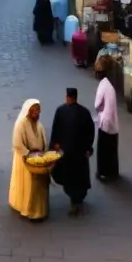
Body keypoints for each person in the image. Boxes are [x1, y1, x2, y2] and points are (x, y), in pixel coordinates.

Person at [49, 87, 96, 216]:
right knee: (80, 177)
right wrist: (88, 148)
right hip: (80, 154)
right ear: (76, 97)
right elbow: (90, 132)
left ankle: (73, 201)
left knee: (69, 179)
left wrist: (54, 147)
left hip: (67, 154)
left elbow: (55, 130)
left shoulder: (60, 111)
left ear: (67, 97)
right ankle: (78, 199)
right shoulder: (85, 112)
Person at [8, 99, 50, 222]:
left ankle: (40, 210)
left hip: (38, 159)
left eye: (38, 111)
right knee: (29, 184)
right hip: (25, 159)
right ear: (29, 111)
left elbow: (43, 140)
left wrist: (44, 153)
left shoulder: (38, 124)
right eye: (35, 111)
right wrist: (28, 154)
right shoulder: (21, 124)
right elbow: (17, 143)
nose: (37, 113)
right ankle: (28, 208)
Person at [93, 60, 120, 181]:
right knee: (112, 149)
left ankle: (102, 173)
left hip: (104, 122)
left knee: (103, 150)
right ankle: (113, 172)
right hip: (114, 123)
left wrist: (99, 110)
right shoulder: (110, 85)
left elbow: (97, 104)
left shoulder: (102, 85)